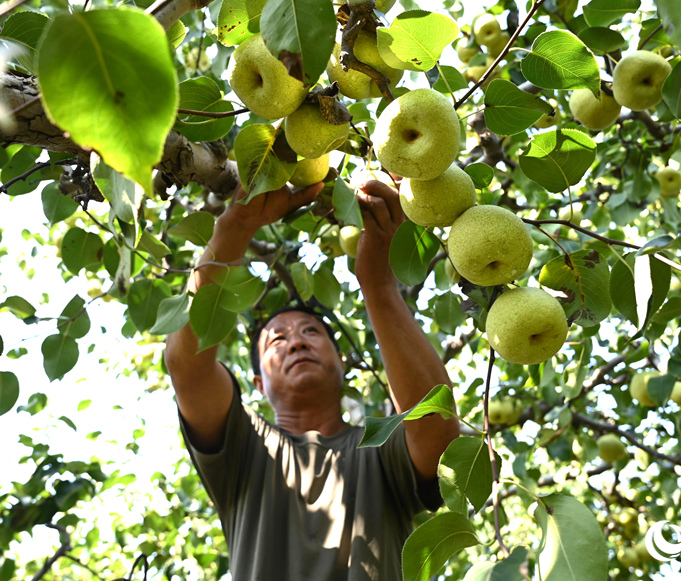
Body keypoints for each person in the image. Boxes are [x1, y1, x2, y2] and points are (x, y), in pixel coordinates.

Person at [164, 176, 460, 580]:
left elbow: (438, 430)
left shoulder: (381, 448)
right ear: (257, 383)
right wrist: (236, 224)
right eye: (277, 341)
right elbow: (187, 367)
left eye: (310, 333)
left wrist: (378, 285)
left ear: (342, 361)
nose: (296, 343)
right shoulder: (243, 448)